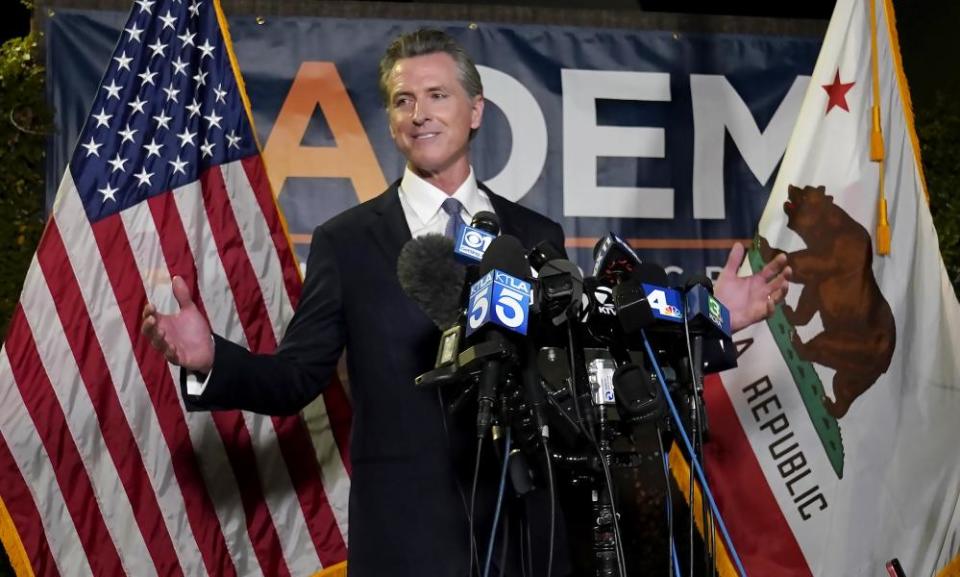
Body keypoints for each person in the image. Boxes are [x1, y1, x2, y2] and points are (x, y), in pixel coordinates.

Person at [141, 28, 791, 577]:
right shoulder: (347, 243)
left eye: (436, 94)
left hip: (527, 539)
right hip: (406, 543)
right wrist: (209, 359)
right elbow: (294, 377)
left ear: (475, 110)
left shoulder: (534, 236)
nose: (419, 112)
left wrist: (713, 320)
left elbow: (595, 377)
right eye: (402, 100)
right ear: (392, 123)